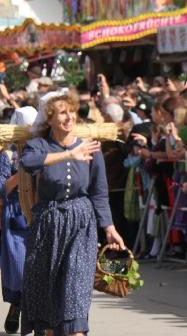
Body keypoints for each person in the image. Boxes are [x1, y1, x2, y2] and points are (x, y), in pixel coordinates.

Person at [20, 93, 126, 336]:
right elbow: (29, 162)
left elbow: (99, 192)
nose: (69, 117)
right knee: (46, 294)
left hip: (81, 224)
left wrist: (109, 227)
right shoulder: (39, 145)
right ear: (50, 118)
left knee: (75, 291)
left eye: (72, 112)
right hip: (48, 224)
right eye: (62, 112)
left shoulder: (90, 147)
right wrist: (69, 154)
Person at [0, 142, 27, 334]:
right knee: (19, 268)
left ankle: (39, 318)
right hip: (16, 215)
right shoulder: (8, 155)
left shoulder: (49, 149)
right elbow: (2, 188)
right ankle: (17, 304)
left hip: (43, 213)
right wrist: (22, 174)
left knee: (41, 268)